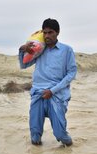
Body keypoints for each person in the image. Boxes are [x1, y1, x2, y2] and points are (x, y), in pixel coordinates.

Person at [19, 18, 77, 146]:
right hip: (38, 93)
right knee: (35, 136)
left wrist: (52, 90)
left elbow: (71, 73)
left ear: (57, 32)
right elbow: (23, 65)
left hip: (56, 95)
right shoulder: (38, 49)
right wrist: (22, 50)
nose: (47, 36)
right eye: (44, 33)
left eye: (50, 32)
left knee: (60, 134)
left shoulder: (66, 50)